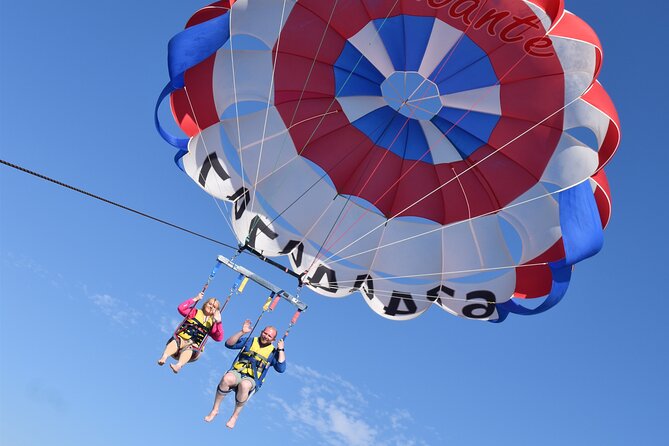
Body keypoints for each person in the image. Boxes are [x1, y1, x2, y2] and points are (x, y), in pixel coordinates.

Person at [204, 319, 286, 428]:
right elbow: (229, 344)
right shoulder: (250, 340)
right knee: (227, 378)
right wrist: (242, 332)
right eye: (265, 333)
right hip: (237, 372)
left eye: (269, 336)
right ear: (261, 332)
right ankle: (215, 409)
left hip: (252, 379)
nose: (266, 336)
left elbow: (281, 368)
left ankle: (235, 416)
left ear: (273, 339)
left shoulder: (273, 352)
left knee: (244, 385)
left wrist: (281, 350)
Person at [157, 291, 223, 373]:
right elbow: (181, 308)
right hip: (180, 339)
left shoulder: (212, 323)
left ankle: (178, 365)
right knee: (176, 341)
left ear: (216, 311)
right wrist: (195, 299)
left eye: (214, 307)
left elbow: (219, 338)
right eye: (210, 304)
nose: (211, 307)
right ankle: (164, 357)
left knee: (189, 348)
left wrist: (219, 322)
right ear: (205, 304)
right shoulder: (194, 312)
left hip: (192, 347)